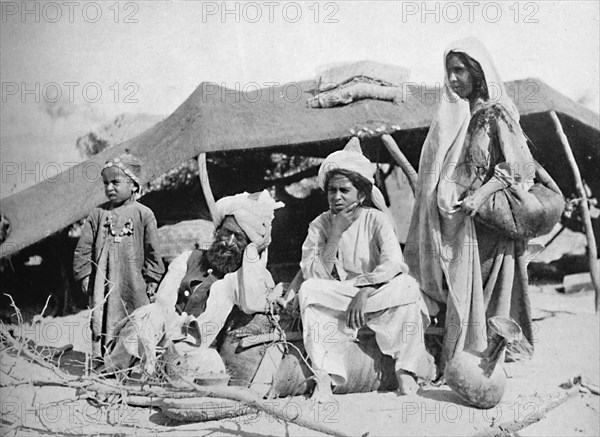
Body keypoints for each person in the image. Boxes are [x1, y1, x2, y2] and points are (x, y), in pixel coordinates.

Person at [405, 38, 540, 366]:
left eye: (460, 70)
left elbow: (522, 167)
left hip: (491, 223)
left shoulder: (495, 114)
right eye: (448, 71)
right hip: (464, 222)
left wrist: (480, 194)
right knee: (461, 294)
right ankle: (462, 359)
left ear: (478, 72)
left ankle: (483, 361)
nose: (452, 78)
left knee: (488, 295)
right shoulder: (462, 117)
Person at [285, 138, 434, 402]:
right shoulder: (319, 225)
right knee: (309, 290)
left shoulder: (376, 220)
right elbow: (314, 273)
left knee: (408, 285)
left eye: (345, 190)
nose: (337, 196)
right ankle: (324, 376)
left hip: (374, 295)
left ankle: (405, 372)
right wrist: (336, 233)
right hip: (341, 297)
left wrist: (364, 292)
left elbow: (392, 265)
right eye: (332, 190)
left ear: (361, 195)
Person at [103, 190, 284, 375]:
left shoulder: (238, 279)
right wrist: (172, 332)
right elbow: (163, 304)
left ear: (248, 246)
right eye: (226, 233)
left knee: (211, 363)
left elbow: (254, 302)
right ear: (216, 232)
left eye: (239, 238)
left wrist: (254, 251)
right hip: (160, 337)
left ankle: (151, 375)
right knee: (149, 313)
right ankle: (114, 372)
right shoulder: (188, 258)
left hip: (191, 351)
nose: (228, 242)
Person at [73, 153, 165, 362]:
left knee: (133, 320)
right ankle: (102, 362)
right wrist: (85, 275)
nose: (109, 188)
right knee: (103, 320)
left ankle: (127, 365)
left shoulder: (144, 214)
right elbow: (83, 249)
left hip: (133, 284)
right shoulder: (97, 214)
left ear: (133, 185)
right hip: (102, 285)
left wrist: (152, 279)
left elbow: (153, 252)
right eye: (105, 183)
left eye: (115, 182)